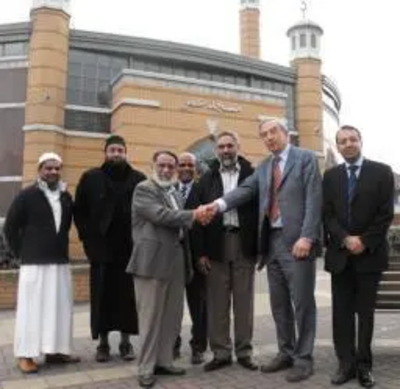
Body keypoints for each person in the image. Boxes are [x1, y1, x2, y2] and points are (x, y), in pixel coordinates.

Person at [206, 119, 322, 382]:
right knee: (279, 304)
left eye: (273, 132)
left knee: (302, 303)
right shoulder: (264, 167)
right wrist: (217, 205)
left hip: (298, 242)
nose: (269, 138)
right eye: (264, 135)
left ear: (285, 133)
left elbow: (314, 200)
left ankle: (304, 359)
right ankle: (286, 352)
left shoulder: (305, 158)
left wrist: (307, 237)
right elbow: (244, 191)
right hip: (271, 244)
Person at [126, 150, 208, 388]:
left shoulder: (173, 192)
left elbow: (183, 232)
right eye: (162, 165)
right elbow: (161, 216)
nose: (166, 170)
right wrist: (195, 214)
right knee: (150, 318)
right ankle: (145, 368)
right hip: (151, 262)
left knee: (172, 317)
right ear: (154, 165)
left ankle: (163, 362)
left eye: (170, 166)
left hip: (175, 261)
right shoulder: (144, 189)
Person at [323, 125, 394, 388]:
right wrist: (345, 238)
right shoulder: (330, 176)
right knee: (341, 314)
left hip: (370, 255)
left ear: (360, 141)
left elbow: (385, 214)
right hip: (340, 255)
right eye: (342, 141)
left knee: (365, 314)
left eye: (353, 139)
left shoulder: (382, 172)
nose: (348, 144)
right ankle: (346, 365)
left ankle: (364, 366)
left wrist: (364, 240)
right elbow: (327, 214)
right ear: (338, 147)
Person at [4, 152, 80, 373]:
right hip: (34, 264)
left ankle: (55, 352)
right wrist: (22, 254)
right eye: (48, 168)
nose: (53, 172)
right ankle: (25, 355)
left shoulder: (66, 196)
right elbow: (10, 228)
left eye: (57, 168)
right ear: (40, 170)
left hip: (60, 262)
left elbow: (66, 227)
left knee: (59, 309)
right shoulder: (27, 195)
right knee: (32, 310)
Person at [74, 135, 146, 362]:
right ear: (105, 153)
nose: (116, 154)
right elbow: (80, 212)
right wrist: (88, 241)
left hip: (129, 250)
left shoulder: (139, 179)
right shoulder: (90, 178)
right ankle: (103, 344)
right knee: (101, 298)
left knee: (127, 298)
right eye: (112, 150)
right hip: (101, 251)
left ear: (126, 153)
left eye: (120, 150)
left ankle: (126, 343)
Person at [195, 131, 259, 372]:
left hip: (243, 244)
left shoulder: (253, 175)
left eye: (230, 145)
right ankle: (221, 353)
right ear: (216, 151)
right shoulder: (206, 179)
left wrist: (260, 248)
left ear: (238, 147)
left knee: (244, 303)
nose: (225, 150)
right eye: (221, 147)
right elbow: (197, 216)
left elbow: (262, 211)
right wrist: (200, 252)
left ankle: (244, 352)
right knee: (217, 303)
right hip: (215, 246)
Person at [173, 152, 208, 364]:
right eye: (182, 164)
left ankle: (198, 347)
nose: (186, 168)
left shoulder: (203, 190)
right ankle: (172, 344)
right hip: (174, 257)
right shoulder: (168, 190)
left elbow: (208, 224)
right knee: (172, 306)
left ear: (195, 169)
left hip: (197, 257)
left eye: (190, 165)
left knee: (199, 306)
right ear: (176, 167)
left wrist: (204, 254)